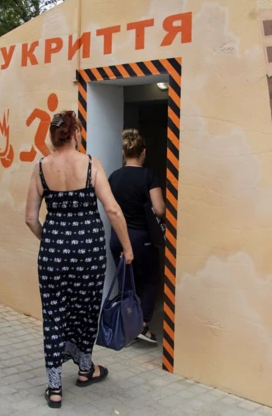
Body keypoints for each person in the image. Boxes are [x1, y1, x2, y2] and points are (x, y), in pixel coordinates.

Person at [25, 110, 133, 409]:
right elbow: (112, 210)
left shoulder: (40, 168)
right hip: (88, 253)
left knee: (54, 313)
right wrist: (127, 247)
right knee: (85, 310)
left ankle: (55, 388)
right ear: (76, 134)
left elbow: (30, 219)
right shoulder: (90, 165)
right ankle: (85, 369)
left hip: (53, 253)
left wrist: (51, 240)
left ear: (53, 136)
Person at [108, 129, 166, 344]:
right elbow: (159, 209)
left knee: (127, 284)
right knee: (150, 280)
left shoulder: (113, 176)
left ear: (124, 153)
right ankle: (142, 326)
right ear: (143, 152)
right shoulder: (148, 175)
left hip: (118, 239)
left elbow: (110, 208)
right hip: (143, 238)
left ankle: (127, 326)